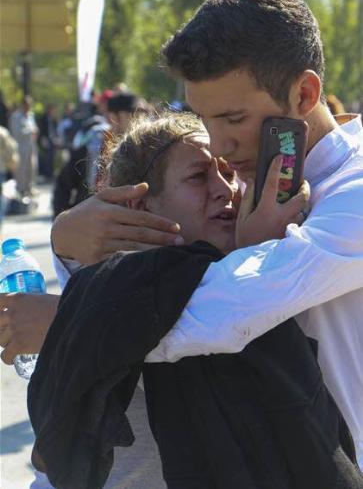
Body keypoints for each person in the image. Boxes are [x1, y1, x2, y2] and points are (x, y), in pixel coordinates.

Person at [48, 0, 363, 468]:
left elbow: (229, 307)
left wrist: (61, 322)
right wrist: (71, 241)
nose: (217, 145)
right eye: (204, 118)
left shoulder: (354, 192)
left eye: (234, 118)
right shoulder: (254, 184)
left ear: (304, 94)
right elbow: (165, 271)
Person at [24, 113, 359, 488]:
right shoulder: (119, 289)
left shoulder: (252, 269)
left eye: (229, 173)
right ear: (140, 205)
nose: (225, 189)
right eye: (198, 177)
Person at [9, 95, 39, 198]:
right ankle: (20, 190)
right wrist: (30, 131)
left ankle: (29, 188)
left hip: (31, 147)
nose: (28, 107)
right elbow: (16, 132)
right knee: (21, 170)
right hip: (21, 148)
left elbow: (33, 127)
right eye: (27, 105)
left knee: (32, 168)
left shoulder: (31, 115)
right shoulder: (16, 116)